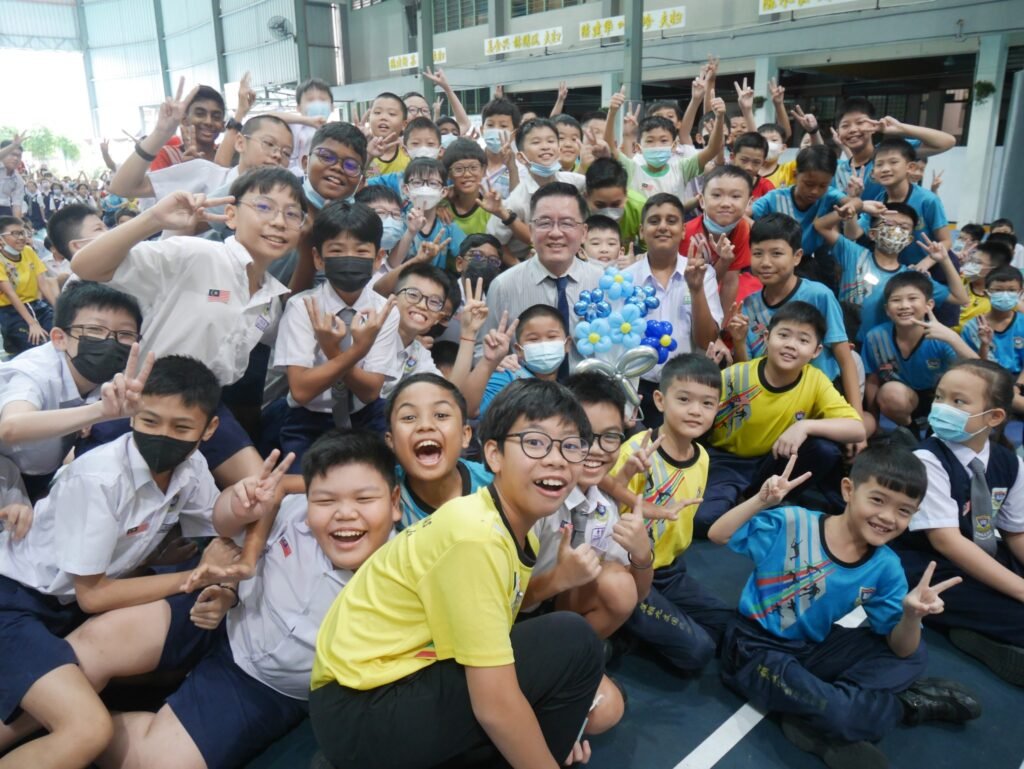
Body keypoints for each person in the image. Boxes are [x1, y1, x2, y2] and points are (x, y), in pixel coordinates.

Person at [309, 379, 604, 768]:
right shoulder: (475, 535)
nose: (556, 459)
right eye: (535, 442)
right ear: (494, 456)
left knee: (560, 660)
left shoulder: (499, 523)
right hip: (362, 707)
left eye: (570, 446)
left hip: (378, 691)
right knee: (573, 640)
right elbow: (495, 705)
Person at [59, 432, 393, 769]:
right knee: (92, 645)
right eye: (326, 501)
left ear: (394, 503)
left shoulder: (405, 575)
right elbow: (225, 525)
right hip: (220, 612)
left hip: (263, 684)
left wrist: (86, 731)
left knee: (158, 762)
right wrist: (237, 505)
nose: (345, 513)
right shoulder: (294, 512)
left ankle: (79, 730)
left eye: (364, 499)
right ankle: (56, 719)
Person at [0, 356, 241, 768]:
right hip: (16, 601)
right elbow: (94, 596)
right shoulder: (99, 478)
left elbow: (216, 524)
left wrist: (246, 516)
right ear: (133, 417)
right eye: (149, 421)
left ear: (208, 430)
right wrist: (196, 576)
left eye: (181, 427)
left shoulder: (190, 466)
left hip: (61, 606)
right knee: (87, 727)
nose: (164, 435)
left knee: (29, 714)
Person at [710, 446, 981, 769]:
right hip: (754, 650)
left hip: (812, 647)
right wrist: (761, 502)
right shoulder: (793, 522)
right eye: (878, 500)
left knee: (916, 652)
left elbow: (902, 649)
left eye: (904, 511)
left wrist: (911, 616)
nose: (888, 517)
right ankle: (902, 706)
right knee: (836, 711)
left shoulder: (886, 567)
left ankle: (817, 711)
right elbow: (718, 535)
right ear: (848, 490)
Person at [892, 360, 1024, 686]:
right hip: (930, 565)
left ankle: (972, 631)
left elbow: (1016, 531)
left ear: (993, 417)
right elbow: (946, 541)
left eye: (958, 402)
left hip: (982, 551)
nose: (941, 408)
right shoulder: (927, 459)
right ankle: (977, 634)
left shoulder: (1010, 463)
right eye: (939, 397)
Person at [600, 354, 732, 671]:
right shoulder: (637, 450)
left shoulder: (702, 457)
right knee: (697, 651)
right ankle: (618, 630)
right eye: (684, 399)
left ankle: (639, 624)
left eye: (707, 404)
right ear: (660, 400)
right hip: (629, 570)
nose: (695, 411)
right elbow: (604, 492)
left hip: (670, 570)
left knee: (728, 625)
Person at [706, 301, 866, 532]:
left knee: (824, 449)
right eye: (784, 335)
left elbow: (857, 429)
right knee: (705, 521)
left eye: (803, 340)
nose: (791, 345)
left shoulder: (815, 380)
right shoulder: (737, 375)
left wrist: (806, 427)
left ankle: (761, 502)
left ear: (816, 351)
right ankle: (750, 506)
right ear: (768, 338)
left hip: (771, 461)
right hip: (726, 460)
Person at [526, 371, 656, 640]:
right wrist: (559, 578)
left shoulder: (601, 505)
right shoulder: (533, 502)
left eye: (610, 437)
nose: (596, 449)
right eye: (582, 435)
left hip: (556, 603)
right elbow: (498, 600)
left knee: (619, 586)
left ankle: (572, 656)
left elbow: (636, 594)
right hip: (510, 614)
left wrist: (643, 556)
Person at [274, 200, 399, 463]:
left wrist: (332, 350)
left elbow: (370, 392)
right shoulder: (302, 307)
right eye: (337, 250)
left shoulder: (385, 311)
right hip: (307, 421)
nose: (349, 259)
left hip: (366, 417)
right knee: (303, 497)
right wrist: (358, 351)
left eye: (361, 252)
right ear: (318, 259)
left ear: (378, 259)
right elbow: (301, 391)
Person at [0, 281, 143, 497]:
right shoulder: (33, 371)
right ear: (59, 338)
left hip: (42, 471)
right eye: (95, 330)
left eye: (124, 334)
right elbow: (11, 428)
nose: (110, 342)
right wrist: (97, 413)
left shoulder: (113, 374)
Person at [735, 213, 862, 417]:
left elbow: (845, 360)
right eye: (758, 253)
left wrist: (857, 419)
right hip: (774, 402)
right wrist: (739, 341)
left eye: (776, 253)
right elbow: (748, 370)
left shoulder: (819, 295)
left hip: (820, 399)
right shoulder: (749, 304)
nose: (765, 262)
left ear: (797, 256)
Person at [482, 183, 603, 370]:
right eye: (545, 223)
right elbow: (479, 349)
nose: (555, 233)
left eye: (567, 223)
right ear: (530, 231)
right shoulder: (504, 286)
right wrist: (496, 361)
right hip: (527, 393)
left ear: (584, 233)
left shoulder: (603, 282)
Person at [624, 193, 721, 428]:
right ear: (641, 230)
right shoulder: (625, 278)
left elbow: (707, 339)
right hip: (637, 388)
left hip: (685, 388)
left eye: (671, 220)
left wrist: (696, 289)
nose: (663, 227)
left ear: (683, 230)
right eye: (654, 220)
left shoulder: (703, 273)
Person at [814, 201, 967, 337]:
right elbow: (820, 225)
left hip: (880, 347)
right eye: (889, 225)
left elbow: (960, 298)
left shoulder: (912, 277)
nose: (896, 231)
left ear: (909, 240)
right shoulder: (853, 253)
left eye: (904, 227)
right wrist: (857, 205)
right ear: (872, 234)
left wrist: (945, 259)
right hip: (843, 339)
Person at [863, 272, 978, 435]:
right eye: (896, 300)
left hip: (943, 399)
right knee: (890, 393)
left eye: (912, 299)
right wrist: (874, 420)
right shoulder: (875, 337)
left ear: (929, 305)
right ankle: (911, 431)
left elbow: (982, 371)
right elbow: (872, 379)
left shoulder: (942, 336)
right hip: (905, 399)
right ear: (887, 309)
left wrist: (953, 339)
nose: (904, 305)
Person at [386, 373, 492, 529]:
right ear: (391, 441)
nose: (425, 425)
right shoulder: (382, 496)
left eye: (441, 415)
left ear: (465, 435)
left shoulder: (495, 486)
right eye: (409, 417)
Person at [486, 119, 584, 263]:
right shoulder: (516, 200)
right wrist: (518, 267)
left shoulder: (576, 182)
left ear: (559, 148)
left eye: (551, 141)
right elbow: (495, 242)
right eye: (536, 142)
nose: (545, 147)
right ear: (521, 156)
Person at [606, 88, 726, 200]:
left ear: (674, 146)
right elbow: (609, 147)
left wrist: (719, 118)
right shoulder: (632, 168)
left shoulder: (682, 169)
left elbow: (713, 149)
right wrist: (612, 112)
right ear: (638, 147)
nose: (657, 145)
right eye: (650, 141)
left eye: (663, 140)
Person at [831, 97, 956, 200]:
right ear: (838, 133)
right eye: (845, 125)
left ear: (872, 123)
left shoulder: (892, 153)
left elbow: (946, 142)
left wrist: (901, 128)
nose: (853, 129)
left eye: (860, 122)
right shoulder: (837, 170)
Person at [680, 165, 760, 310]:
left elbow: (730, 280)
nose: (725, 204)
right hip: (684, 289)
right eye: (716, 195)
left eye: (735, 196)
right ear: (702, 201)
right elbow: (683, 285)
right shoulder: (685, 233)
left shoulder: (742, 228)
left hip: (715, 284)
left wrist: (721, 325)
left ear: (749, 202)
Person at [751, 145, 848, 260]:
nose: (815, 191)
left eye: (823, 185)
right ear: (795, 174)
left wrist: (850, 207)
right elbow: (744, 215)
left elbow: (855, 202)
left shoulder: (829, 195)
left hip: (808, 261)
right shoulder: (774, 197)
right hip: (776, 260)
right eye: (809, 184)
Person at [868, 138, 951, 267]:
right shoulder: (877, 202)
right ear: (873, 173)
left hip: (926, 270)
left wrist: (925, 264)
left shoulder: (928, 200)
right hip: (894, 271)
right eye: (879, 164)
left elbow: (946, 240)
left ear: (910, 167)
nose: (885, 169)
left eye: (893, 162)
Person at [0, 215, 57, 355]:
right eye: (15, 233)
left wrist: (61, 311)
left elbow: (43, 286)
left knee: (60, 333)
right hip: (11, 310)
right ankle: (11, 339)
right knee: (37, 344)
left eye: (23, 232)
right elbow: (11, 294)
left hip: (37, 305)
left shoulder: (29, 251)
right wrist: (32, 323)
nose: (21, 237)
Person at [961, 266, 1024, 385]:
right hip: (985, 380)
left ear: (1020, 292)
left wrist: (1019, 386)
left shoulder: (1022, 323)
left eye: (1011, 290)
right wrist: (984, 345)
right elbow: (973, 365)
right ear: (987, 293)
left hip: (1018, 380)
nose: (1005, 295)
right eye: (998, 290)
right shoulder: (972, 327)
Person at [148, 84, 226, 170]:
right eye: (200, 114)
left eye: (216, 117)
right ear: (184, 120)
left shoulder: (227, 155)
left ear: (223, 125)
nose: (208, 122)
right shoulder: (167, 155)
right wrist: (186, 171)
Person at [956, 240, 1013, 332]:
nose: (970, 265)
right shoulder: (957, 279)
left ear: (994, 269)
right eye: (971, 260)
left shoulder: (998, 300)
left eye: (977, 262)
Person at [480, 97, 523, 200]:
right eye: (490, 125)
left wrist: (512, 169)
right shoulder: (472, 162)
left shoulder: (520, 169)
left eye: (503, 126)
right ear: (482, 130)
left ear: (513, 134)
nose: (496, 130)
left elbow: (517, 202)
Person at [364, 92, 410, 179]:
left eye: (391, 114)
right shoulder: (360, 152)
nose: (383, 117)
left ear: (404, 124)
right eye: (377, 112)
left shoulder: (410, 154)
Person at [729, 133, 775, 199]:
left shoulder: (767, 188)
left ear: (763, 163)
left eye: (756, 162)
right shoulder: (720, 182)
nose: (749, 167)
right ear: (733, 157)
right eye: (744, 160)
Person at [0, 139, 26, 217]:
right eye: (12, 154)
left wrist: (17, 227)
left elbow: (17, 205)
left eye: (19, 156)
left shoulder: (18, 180)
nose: (16, 158)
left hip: (4, 211)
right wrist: (13, 145)